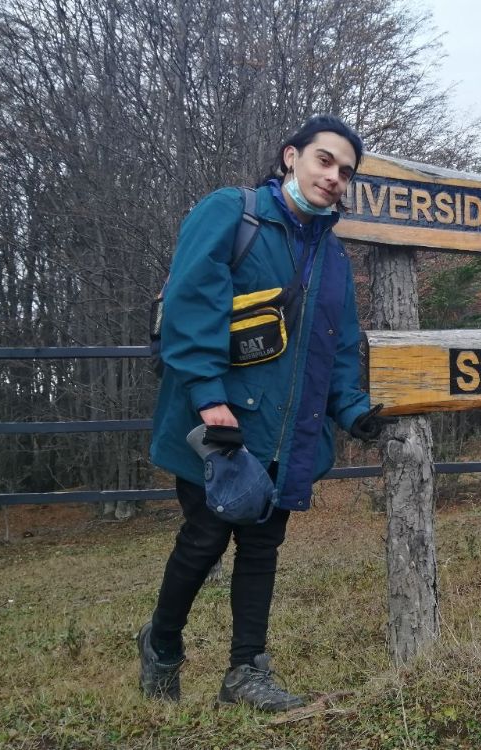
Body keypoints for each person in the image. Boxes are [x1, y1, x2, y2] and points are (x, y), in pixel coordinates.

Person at [139, 115, 393, 711]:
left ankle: (245, 672)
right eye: (324, 160)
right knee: (204, 538)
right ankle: (163, 645)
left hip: (290, 429)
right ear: (291, 157)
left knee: (261, 546)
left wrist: (352, 409)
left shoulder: (332, 258)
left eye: (346, 171)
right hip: (218, 422)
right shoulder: (233, 213)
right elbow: (188, 304)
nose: (335, 177)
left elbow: (335, 342)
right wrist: (207, 394)